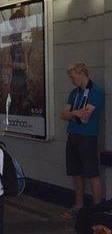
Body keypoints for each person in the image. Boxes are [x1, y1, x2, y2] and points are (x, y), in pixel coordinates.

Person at [60, 62, 105, 218]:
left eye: (73, 77)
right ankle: (78, 205)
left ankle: (97, 208)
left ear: (82, 74)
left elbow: (85, 115)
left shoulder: (96, 91)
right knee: (76, 173)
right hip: (73, 135)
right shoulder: (74, 93)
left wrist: (73, 113)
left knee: (92, 173)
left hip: (87, 136)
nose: (72, 81)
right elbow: (63, 114)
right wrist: (75, 113)